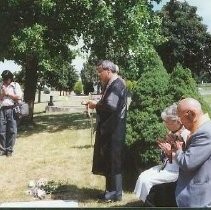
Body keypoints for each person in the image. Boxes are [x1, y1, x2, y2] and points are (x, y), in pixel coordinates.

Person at [86, 60, 127, 202]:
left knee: (114, 161)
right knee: (109, 160)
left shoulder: (117, 84)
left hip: (115, 130)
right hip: (111, 128)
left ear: (108, 71)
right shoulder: (113, 83)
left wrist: (95, 105)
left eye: (100, 71)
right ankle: (110, 191)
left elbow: (111, 105)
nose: (99, 75)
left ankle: (115, 193)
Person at [134, 103, 189, 204]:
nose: (166, 125)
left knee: (147, 181)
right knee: (143, 176)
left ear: (177, 121)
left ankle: (150, 204)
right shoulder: (171, 133)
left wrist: (170, 152)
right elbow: (167, 155)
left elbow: (186, 159)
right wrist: (165, 151)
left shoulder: (186, 135)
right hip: (167, 166)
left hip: (177, 170)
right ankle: (144, 201)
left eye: (168, 122)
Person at [161, 98, 211, 207]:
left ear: (190, 114)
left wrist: (178, 150)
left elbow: (188, 163)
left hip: (200, 199)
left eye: (180, 117)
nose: (180, 122)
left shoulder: (205, 133)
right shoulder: (200, 129)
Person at [0, 70, 23, 156]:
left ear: (10, 78)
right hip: (2, 109)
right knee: (1, 130)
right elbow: (0, 98)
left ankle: (9, 150)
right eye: (4, 78)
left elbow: (19, 97)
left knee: (12, 130)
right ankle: (2, 150)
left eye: (7, 78)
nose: (5, 80)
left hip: (12, 109)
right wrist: (3, 93)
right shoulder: (1, 86)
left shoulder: (15, 85)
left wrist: (8, 94)